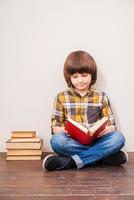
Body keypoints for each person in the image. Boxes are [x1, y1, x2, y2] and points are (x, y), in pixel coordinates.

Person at [43, 50, 128, 171]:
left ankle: (71, 162)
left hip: (97, 141)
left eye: (84, 75)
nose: (80, 80)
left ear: (91, 75)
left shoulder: (101, 96)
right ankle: (104, 158)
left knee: (118, 138)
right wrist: (60, 130)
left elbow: (112, 126)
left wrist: (107, 129)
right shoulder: (61, 97)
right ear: (69, 77)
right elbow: (55, 126)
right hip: (72, 142)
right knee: (57, 141)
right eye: (75, 76)